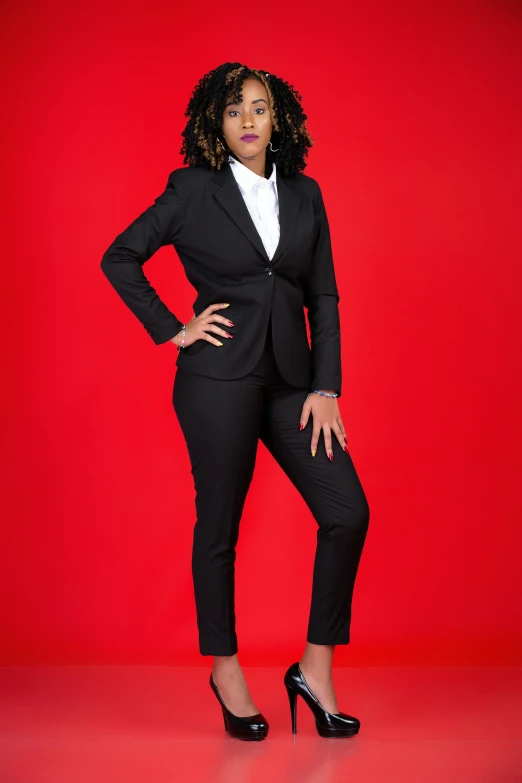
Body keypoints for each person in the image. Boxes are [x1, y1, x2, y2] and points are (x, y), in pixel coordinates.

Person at [100, 62, 370, 741]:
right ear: (214, 126)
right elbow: (121, 256)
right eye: (233, 111)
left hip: (291, 381)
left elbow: (324, 295)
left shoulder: (306, 195)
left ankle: (314, 669)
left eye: (259, 107)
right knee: (218, 527)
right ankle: (225, 668)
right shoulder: (192, 190)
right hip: (216, 379)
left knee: (348, 512)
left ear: (279, 118)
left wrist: (326, 384)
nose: (248, 120)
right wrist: (174, 328)